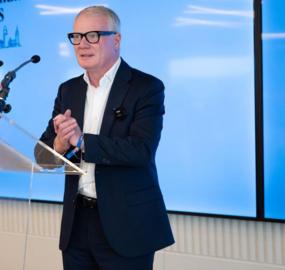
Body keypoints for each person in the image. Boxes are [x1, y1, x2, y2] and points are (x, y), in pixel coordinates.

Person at [36, 6, 174, 270]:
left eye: (93, 35)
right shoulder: (68, 90)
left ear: (117, 40)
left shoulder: (146, 87)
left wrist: (82, 141)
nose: (82, 44)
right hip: (76, 226)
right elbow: (44, 157)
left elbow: (141, 150)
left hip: (127, 225)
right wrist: (59, 145)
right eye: (76, 37)